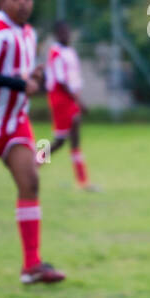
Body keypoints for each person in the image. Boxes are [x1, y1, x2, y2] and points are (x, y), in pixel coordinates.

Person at [0, 0, 65, 283]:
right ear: (2, 2)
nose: (24, 2)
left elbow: (23, 77)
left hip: (15, 124)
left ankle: (32, 266)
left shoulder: (29, 33)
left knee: (31, 181)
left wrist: (34, 77)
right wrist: (20, 83)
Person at [43, 21, 96, 190]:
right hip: (61, 98)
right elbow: (62, 81)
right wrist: (79, 102)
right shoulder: (56, 52)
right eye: (62, 32)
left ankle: (82, 180)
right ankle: (34, 162)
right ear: (57, 34)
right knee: (59, 140)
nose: (66, 35)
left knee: (74, 137)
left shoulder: (70, 51)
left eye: (68, 32)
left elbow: (73, 77)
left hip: (71, 98)